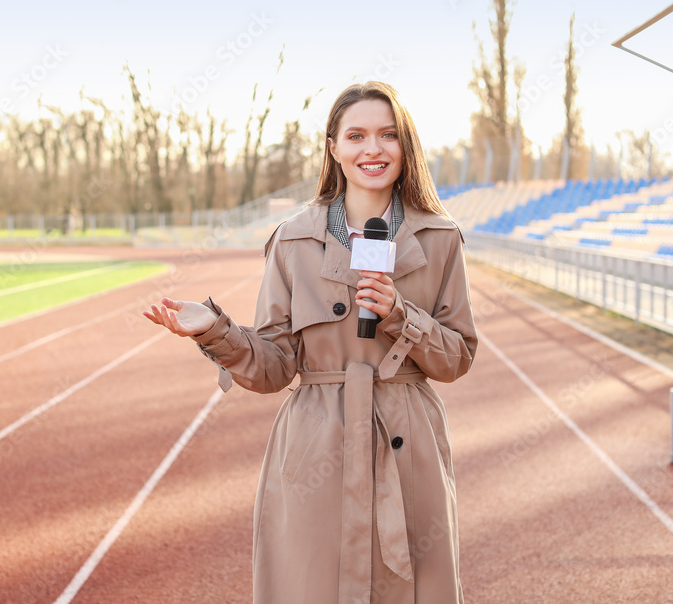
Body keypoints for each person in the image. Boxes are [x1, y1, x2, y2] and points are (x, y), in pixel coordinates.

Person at [142, 81, 477, 604]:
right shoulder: (293, 239)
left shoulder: (440, 238)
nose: (374, 149)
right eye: (357, 135)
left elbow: (457, 357)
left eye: (388, 135)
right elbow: (274, 366)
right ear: (334, 147)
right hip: (316, 449)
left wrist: (401, 315)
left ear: (405, 146)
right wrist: (214, 329)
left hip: (408, 446)